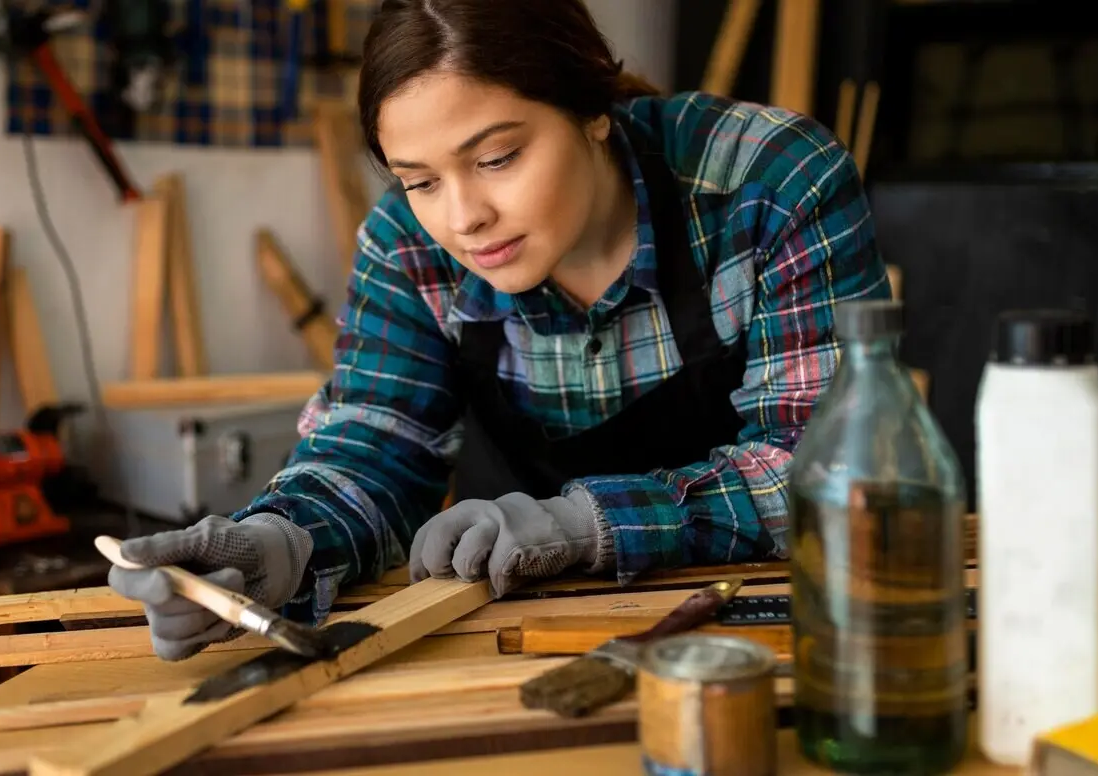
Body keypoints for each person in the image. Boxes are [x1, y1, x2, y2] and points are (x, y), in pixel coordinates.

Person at [108, 0, 890, 661]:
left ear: (592, 109)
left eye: (497, 158)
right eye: (419, 180)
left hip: (769, 626)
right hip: (528, 633)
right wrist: (282, 541)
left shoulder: (770, 182)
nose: (463, 218)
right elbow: (376, 441)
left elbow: (825, 473)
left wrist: (584, 524)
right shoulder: (408, 243)